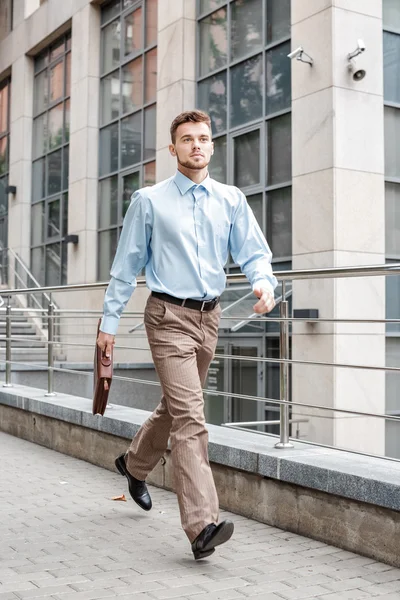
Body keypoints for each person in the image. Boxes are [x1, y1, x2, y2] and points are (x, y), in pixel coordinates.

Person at [97, 110, 277, 560]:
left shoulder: (230, 200)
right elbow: (125, 268)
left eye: (203, 138)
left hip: (209, 318)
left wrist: (264, 283)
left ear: (212, 146)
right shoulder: (149, 201)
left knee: (176, 407)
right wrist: (109, 326)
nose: (196, 145)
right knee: (192, 417)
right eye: (186, 139)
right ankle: (202, 526)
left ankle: (134, 464)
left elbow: (254, 253)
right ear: (172, 149)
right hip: (167, 317)